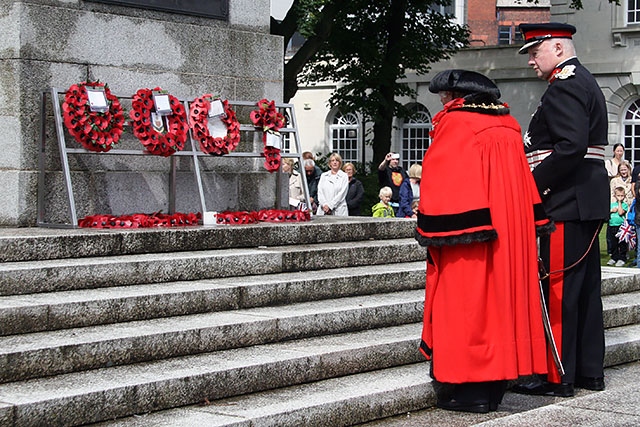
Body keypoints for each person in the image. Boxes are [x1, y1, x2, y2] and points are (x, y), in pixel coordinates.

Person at [415, 69, 552, 413]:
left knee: (466, 307)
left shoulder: (456, 124)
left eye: (445, 95)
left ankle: (469, 389)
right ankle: (493, 388)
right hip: (511, 229)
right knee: (502, 308)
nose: (442, 101)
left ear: (457, 96)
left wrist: (432, 227)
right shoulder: (509, 125)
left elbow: (445, 177)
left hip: (473, 230)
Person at [512, 22, 609, 398]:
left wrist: (534, 187)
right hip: (583, 199)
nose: (532, 62)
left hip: (565, 202)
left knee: (559, 291)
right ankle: (587, 371)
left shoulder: (565, 86)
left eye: (535, 53)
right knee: (584, 292)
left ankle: (557, 375)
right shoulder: (582, 80)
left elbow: (569, 147)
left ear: (557, 48)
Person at [606, 187, 629, 267]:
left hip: (620, 227)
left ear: (624, 196)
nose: (620, 197)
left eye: (622, 196)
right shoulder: (612, 205)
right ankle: (614, 257)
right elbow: (606, 213)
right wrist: (611, 210)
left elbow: (620, 212)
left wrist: (619, 202)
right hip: (612, 225)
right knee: (613, 243)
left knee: (622, 243)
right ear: (615, 196)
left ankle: (622, 258)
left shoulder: (624, 205)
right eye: (618, 196)